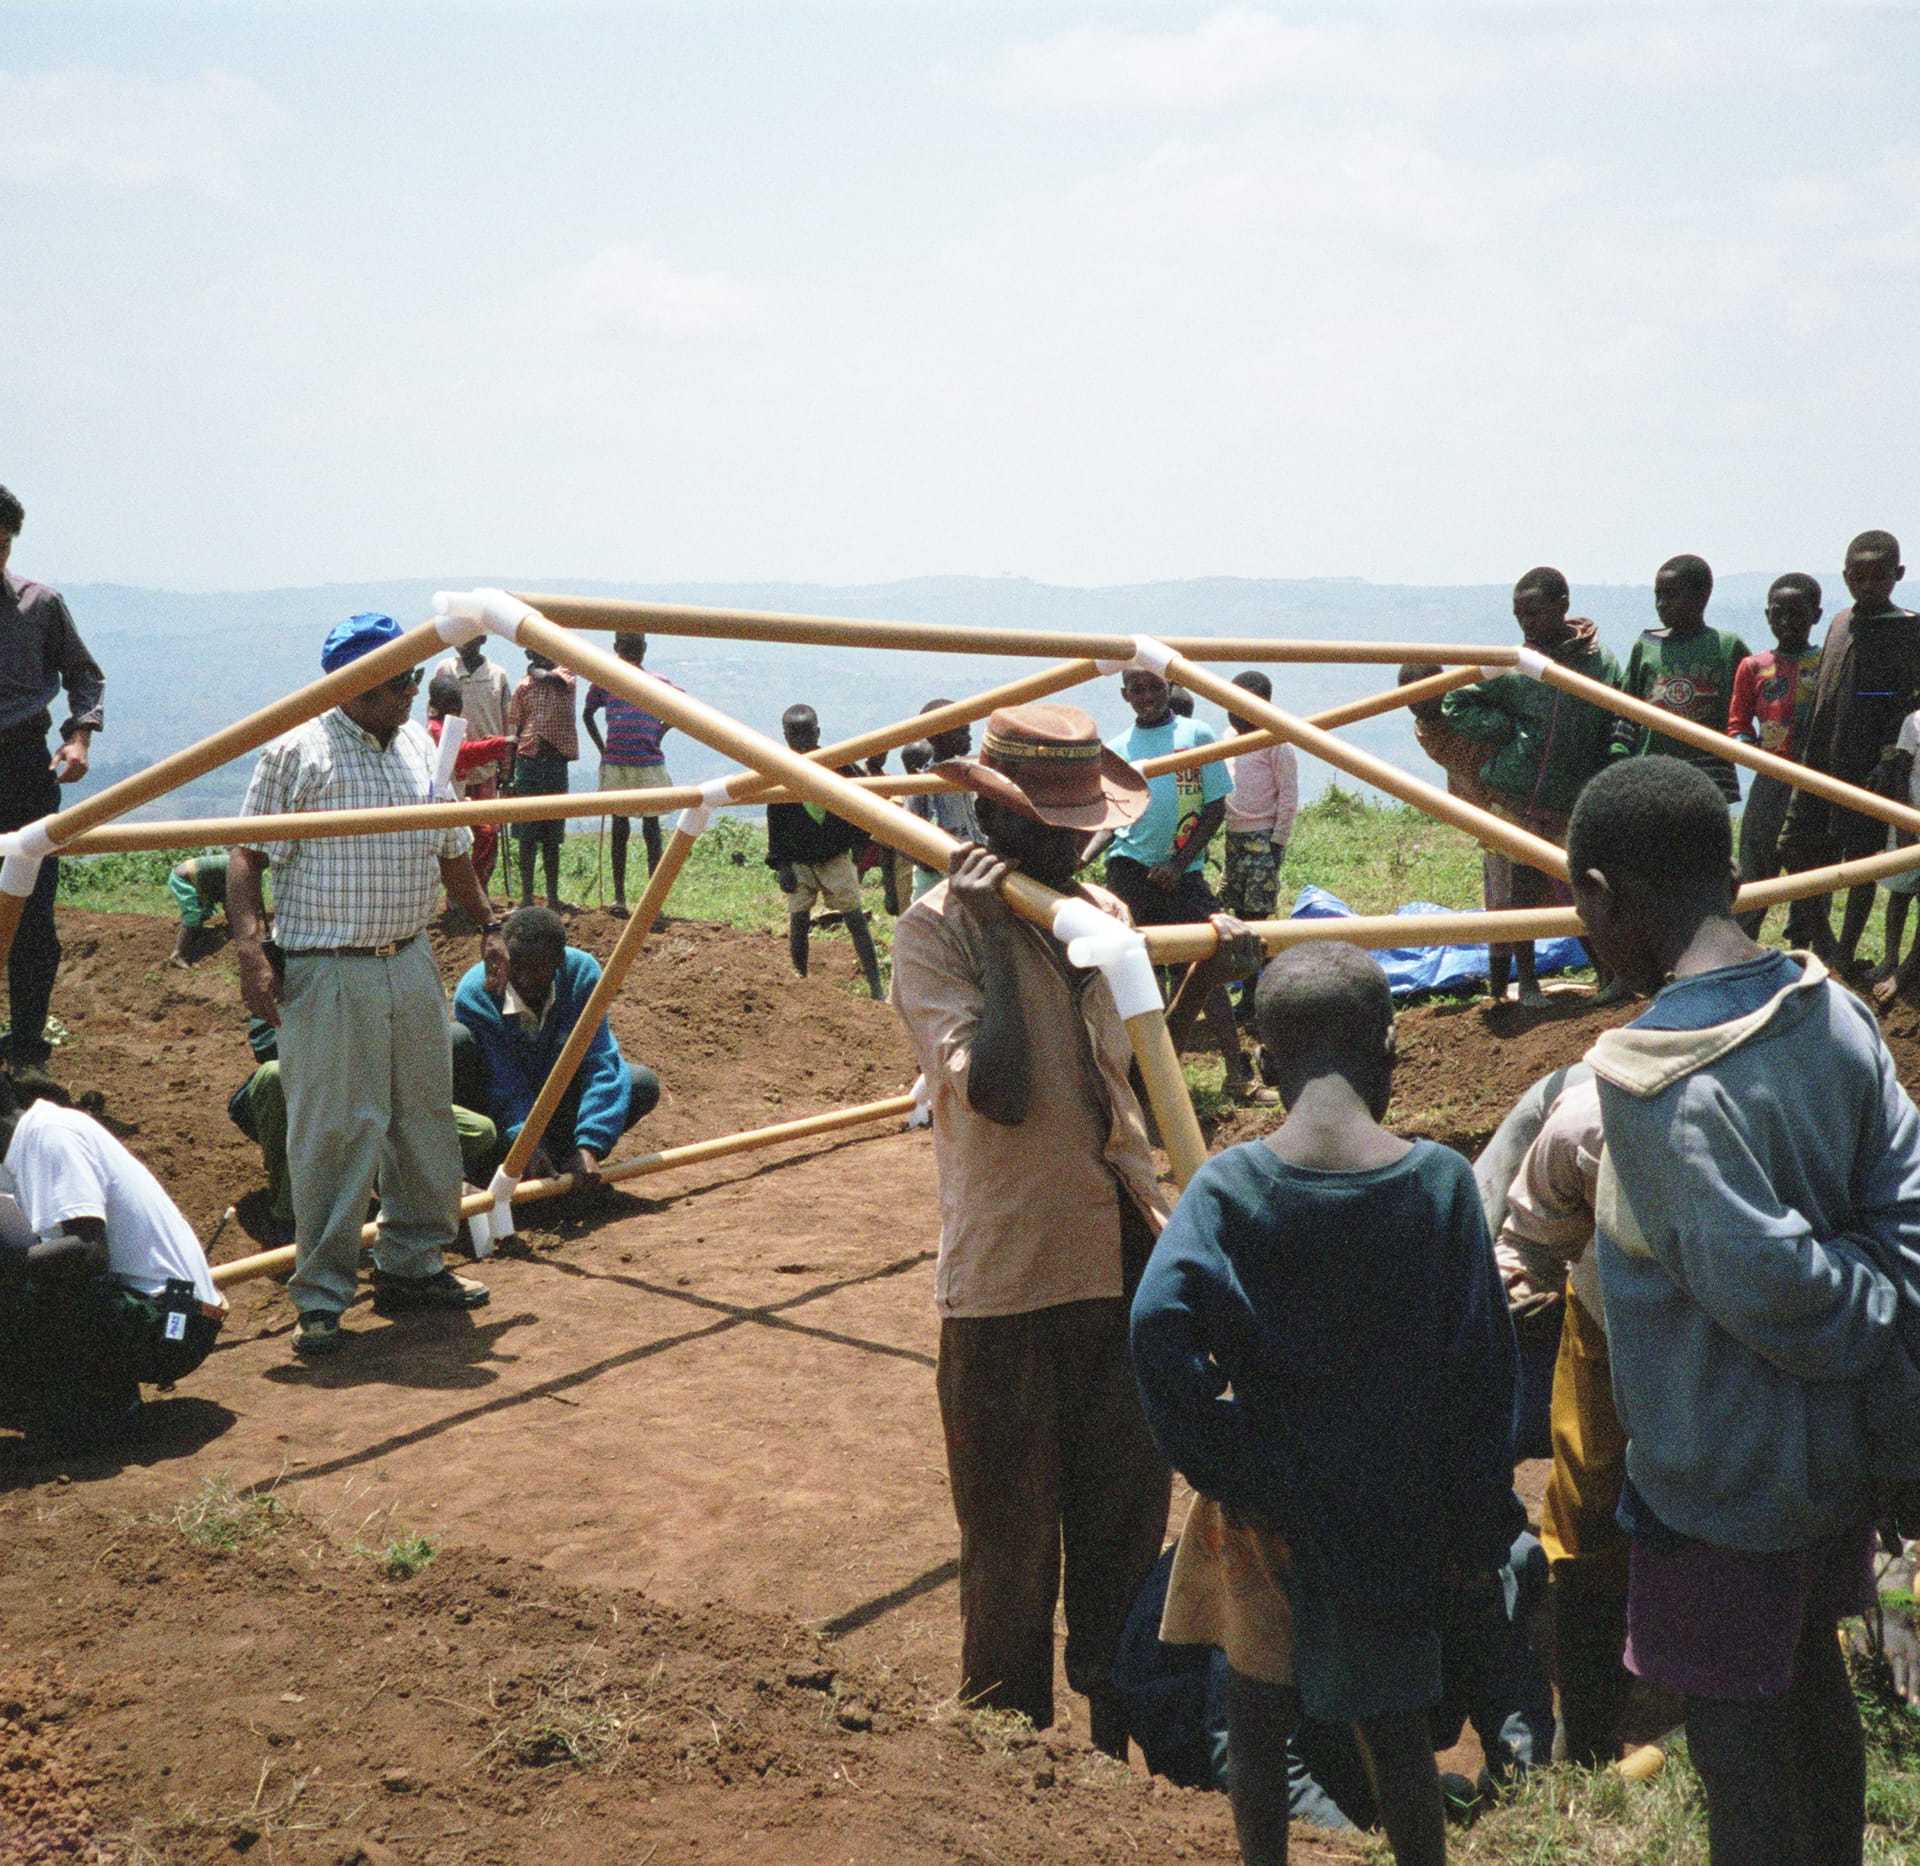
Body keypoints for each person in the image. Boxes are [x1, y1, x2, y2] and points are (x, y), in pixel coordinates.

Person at [1570, 754, 1920, 1866]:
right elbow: (1907, 1209)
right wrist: (1887, 1308)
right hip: (1841, 1459)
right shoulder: (1836, 1011)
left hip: (1722, 1480)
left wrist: (1854, 1300)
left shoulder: (1647, 1081)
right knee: (1812, 1695)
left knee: (1741, 1751)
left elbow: (1772, 1286)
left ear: (1598, 893)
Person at [1132, 943, 1518, 1866]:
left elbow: (1155, 1325)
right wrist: (1469, 1511)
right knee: (1393, 1724)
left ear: (1263, 1063)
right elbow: (1484, 1366)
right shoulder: (1439, 1185)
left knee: (1258, 1717)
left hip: (1268, 1510)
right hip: (1393, 1507)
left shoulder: (1229, 1188)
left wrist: (1226, 1459)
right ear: (1393, 1048)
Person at [889, 702, 1175, 1756]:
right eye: (1049, 825)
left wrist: (1192, 970)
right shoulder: (938, 931)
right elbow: (998, 1093)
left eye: (1079, 825)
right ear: (991, 817)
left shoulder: (1095, 909)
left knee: (1123, 1521)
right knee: (1010, 1540)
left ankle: (1119, 1729)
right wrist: (1007, 944)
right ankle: (1007, 1764)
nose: (1071, 841)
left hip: (1123, 1256)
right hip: (1013, 1279)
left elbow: (1123, 1072)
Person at [227, 612, 502, 1358]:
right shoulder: (299, 751)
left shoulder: (418, 745)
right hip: (329, 965)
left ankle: (412, 1263)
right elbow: (246, 856)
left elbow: (450, 848)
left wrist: (487, 921)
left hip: (408, 957)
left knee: (422, 1120)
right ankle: (321, 1294)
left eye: (412, 679)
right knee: (336, 1131)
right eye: (395, 684)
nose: (411, 694)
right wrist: (252, 951)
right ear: (352, 687)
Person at [1479, 1063, 1639, 1767]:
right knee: (1582, 1522)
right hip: (1590, 1294)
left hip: (1624, 1299)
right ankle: (1585, 1748)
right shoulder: (1578, 1112)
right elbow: (1513, 1243)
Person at [0, 1070, 225, 1450]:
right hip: (146, 1311)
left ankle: (102, 1408)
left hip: (178, 1325)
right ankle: (73, 1406)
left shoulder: (50, 1134)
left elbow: (88, 1251)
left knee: (29, 1286)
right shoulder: (13, 1154)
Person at [1441, 568, 1621, 1005]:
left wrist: (1614, 761)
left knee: (1583, 890)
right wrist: (1504, 729)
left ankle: (1610, 977)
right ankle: (1529, 985)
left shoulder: (1600, 664)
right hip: (1518, 796)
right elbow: (1454, 699)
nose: (1526, 622)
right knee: (1519, 895)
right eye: (1519, 614)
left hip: (1573, 798)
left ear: (1562, 606)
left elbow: (1620, 714)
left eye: (1534, 612)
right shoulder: (1514, 663)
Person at [1085, 667, 1262, 1102]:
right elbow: (1112, 821)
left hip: (1183, 876)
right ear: (1125, 694)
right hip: (1130, 871)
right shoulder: (1119, 749)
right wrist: (1080, 858)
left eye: (1154, 687)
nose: (1146, 696)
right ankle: (1149, 1082)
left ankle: (1237, 1076)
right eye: (1137, 689)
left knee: (1208, 965)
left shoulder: (1196, 734)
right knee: (1140, 976)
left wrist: (1180, 863)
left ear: (1169, 689)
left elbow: (1215, 806)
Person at [228, 1016, 499, 1247]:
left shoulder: (378, 961)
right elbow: (267, 1044)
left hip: (373, 1090)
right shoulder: (290, 962)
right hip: (311, 1095)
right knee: (275, 1075)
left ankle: (419, 1183)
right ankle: (292, 1219)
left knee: (478, 1128)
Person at [0, 486, 104, 1079]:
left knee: (33, 918)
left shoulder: (40, 606)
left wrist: (79, 737)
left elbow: (84, 675)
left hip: (21, 772)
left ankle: (28, 1054)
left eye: (4, 543)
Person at [1782, 531, 1920, 969]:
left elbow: (1910, 702)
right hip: (1820, 761)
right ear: (1845, 576)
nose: (1866, 585)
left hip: (1871, 766)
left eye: (1878, 577)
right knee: (1795, 847)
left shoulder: (1908, 629)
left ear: (1897, 575)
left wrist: (1889, 760)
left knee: (1861, 862)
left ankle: (1845, 952)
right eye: (1857, 576)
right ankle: (1824, 945)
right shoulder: (1840, 622)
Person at [451, 905, 661, 1182]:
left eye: (538, 969)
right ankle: (493, 1169)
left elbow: (600, 1061)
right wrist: (525, 1144)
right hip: (501, 1114)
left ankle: (567, 1160)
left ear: (559, 961)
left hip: (558, 1102)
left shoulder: (581, 975)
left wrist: (589, 1143)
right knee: (456, 1040)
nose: (525, 978)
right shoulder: (478, 992)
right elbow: (504, 1082)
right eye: (518, 967)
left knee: (639, 1084)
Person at [1607, 553, 1752, 802]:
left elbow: (1751, 698)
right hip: (1649, 772)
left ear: (1701, 597)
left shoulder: (1727, 647)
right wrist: (1619, 751)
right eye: (1658, 595)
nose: (1662, 603)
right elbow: (1626, 706)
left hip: (1708, 776)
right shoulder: (1647, 644)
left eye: (1671, 595)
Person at [764, 704, 883, 999]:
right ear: (785, 736)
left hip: (835, 856)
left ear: (818, 732)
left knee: (855, 919)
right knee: (799, 920)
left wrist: (859, 841)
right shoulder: (780, 770)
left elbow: (862, 798)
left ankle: (876, 988)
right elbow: (774, 820)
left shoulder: (839, 764)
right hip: (798, 860)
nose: (802, 741)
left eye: (807, 734)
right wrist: (781, 865)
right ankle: (800, 980)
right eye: (795, 735)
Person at [1727, 575, 1823, 940]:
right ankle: (1743, 941)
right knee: (1756, 863)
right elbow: (1737, 723)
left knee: (1810, 864)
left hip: (1815, 780)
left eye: (1797, 614)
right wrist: (1747, 747)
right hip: (1770, 779)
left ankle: (1808, 941)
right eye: (1778, 614)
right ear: (1768, 615)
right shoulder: (1754, 667)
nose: (1786, 623)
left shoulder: (1826, 662)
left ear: (1815, 615)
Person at [582, 633, 678, 914]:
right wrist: (603, 749)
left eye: (635, 647)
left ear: (644, 649)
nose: (632, 652)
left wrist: (657, 735)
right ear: (616, 649)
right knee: (620, 828)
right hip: (619, 763)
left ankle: (652, 902)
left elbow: (680, 707)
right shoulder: (605, 680)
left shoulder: (656, 682)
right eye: (627, 647)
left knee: (651, 831)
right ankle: (621, 899)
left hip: (647, 762)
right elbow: (588, 713)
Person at [1219, 671, 1298, 935]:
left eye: (1246, 707)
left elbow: (1288, 795)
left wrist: (1278, 841)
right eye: (1232, 706)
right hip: (1234, 834)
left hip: (1263, 837)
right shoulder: (1228, 737)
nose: (1238, 714)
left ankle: (1257, 972)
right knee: (1235, 903)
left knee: (1256, 912)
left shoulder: (1276, 742)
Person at [425, 673, 511, 906]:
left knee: (486, 833)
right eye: (451, 702)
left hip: (456, 798)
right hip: (440, 804)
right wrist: (499, 745)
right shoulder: (436, 729)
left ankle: (472, 891)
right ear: (436, 705)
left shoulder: (448, 727)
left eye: (456, 701)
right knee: (477, 837)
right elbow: (461, 755)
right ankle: (464, 895)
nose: (456, 707)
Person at [506, 649, 579, 912]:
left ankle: (552, 896)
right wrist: (508, 773)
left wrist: (534, 671)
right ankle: (527, 897)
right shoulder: (523, 687)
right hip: (529, 762)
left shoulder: (565, 671)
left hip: (555, 762)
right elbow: (515, 730)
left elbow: (555, 680)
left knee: (551, 836)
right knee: (527, 836)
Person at [906, 702, 982, 902]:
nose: (969, 737)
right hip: (936, 873)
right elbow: (905, 833)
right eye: (962, 732)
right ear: (935, 737)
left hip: (976, 866)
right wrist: (926, 860)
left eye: (968, 730)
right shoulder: (924, 783)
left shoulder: (975, 773)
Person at [1875, 702, 1920, 1008]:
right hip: (1910, 819)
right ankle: (1891, 956)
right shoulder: (1914, 722)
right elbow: (1902, 771)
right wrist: (1903, 823)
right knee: (1900, 892)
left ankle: (1906, 971)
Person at [167, 851, 252, 968]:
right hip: (183, 879)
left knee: (205, 914)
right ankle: (177, 954)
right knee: (193, 914)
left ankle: (195, 945)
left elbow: (227, 897)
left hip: (201, 881)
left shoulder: (239, 863)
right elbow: (232, 901)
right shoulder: (239, 868)